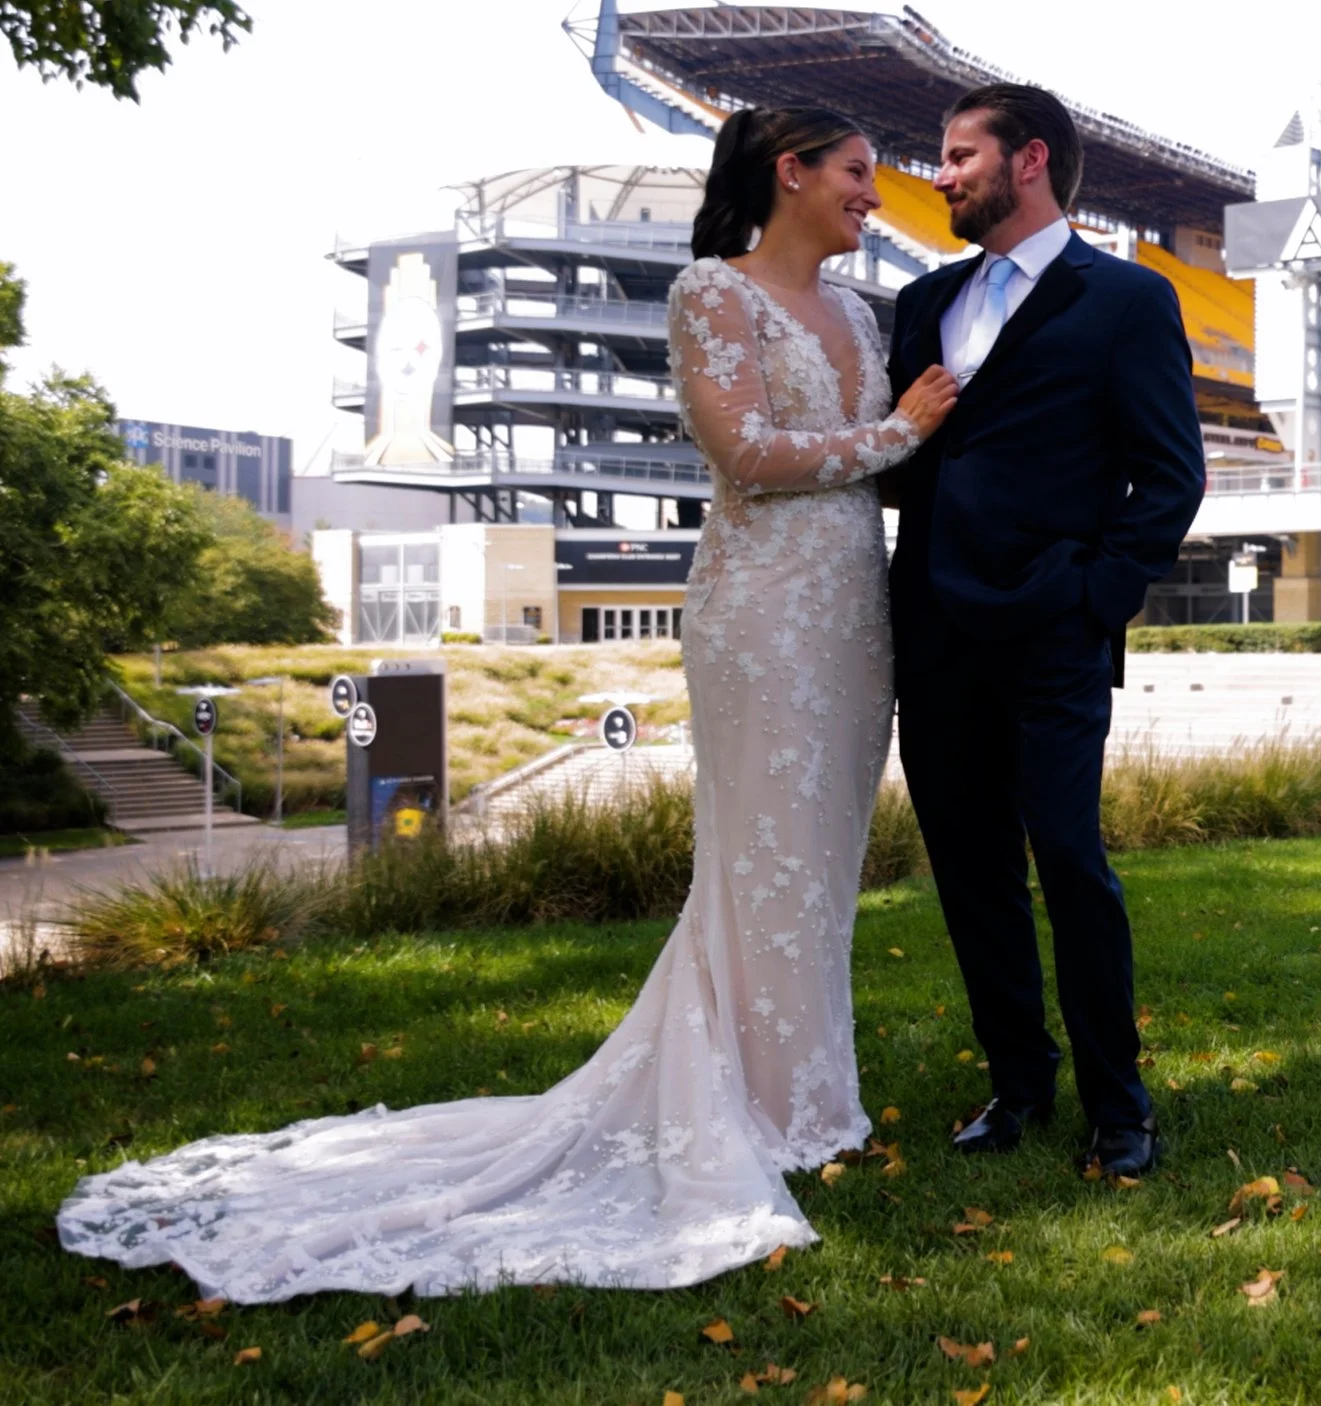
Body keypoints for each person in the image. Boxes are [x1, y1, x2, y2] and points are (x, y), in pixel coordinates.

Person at [54, 108, 957, 1302]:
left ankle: (805, 1097)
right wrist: (901, 428)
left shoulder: (857, 311)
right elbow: (745, 453)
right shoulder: (709, 294)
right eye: (854, 175)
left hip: (853, 615)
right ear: (789, 174)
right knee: (757, 857)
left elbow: (867, 461)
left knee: (823, 857)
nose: (873, 197)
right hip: (759, 617)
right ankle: (746, 1102)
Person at [886, 83, 1206, 1179]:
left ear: (1027, 160)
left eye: (957, 153)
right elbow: (906, 464)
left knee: (1069, 859)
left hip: (1053, 631)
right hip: (931, 633)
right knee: (970, 871)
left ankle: (1121, 1102)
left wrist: (1094, 593)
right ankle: (1018, 1079)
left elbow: (1169, 476)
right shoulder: (921, 301)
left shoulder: (1124, 299)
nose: (940, 173)